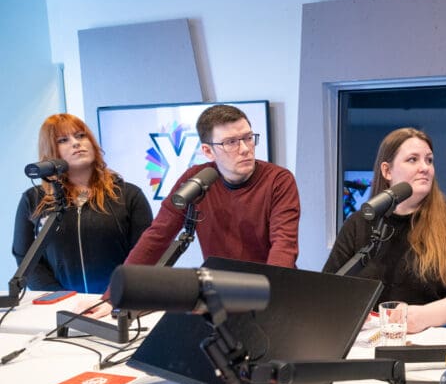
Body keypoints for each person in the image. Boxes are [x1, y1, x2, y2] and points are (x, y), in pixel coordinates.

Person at [89, 104, 300, 317]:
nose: (245, 148)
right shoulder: (196, 180)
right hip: (220, 296)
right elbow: (156, 237)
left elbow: (284, 246)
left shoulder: (278, 180)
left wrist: (268, 301)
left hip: (269, 295)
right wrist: (113, 297)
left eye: (248, 138)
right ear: (208, 151)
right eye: (231, 142)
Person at [323, 127, 446, 333]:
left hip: (442, 343)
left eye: (429, 160)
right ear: (387, 171)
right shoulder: (359, 223)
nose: (425, 168)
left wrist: (424, 316)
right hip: (378, 340)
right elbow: (330, 288)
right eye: (413, 160)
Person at [12, 114, 153, 294]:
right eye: (63, 140)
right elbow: (26, 259)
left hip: (118, 301)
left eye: (80, 136)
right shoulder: (33, 200)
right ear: (50, 152)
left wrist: (115, 297)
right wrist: (60, 298)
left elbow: (146, 255)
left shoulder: (129, 195)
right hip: (58, 305)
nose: (76, 143)